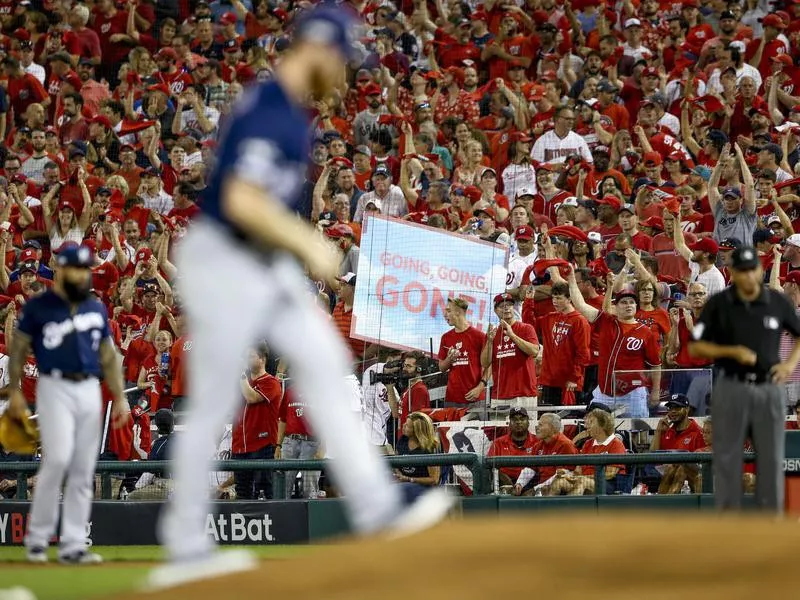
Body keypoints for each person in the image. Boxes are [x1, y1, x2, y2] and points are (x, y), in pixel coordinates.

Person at [150, 8, 452, 588]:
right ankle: (187, 546)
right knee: (214, 402)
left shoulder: (285, 111)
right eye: (339, 60)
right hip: (226, 261)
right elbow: (241, 199)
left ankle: (378, 510)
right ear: (317, 49)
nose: (341, 75)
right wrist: (310, 246)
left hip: (261, 263)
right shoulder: (271, 111)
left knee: (322, 362)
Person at [7, 244, 129, 564]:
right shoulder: (40, 306)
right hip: (53, 385)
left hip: (90, 386)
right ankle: (37, 539)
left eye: (85, 269)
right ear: (61, 269)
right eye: (77, 268)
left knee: (83, 467)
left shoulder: (95, 308)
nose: (82, 274)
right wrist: (16, 388)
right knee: (58, 459)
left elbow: (108, 354)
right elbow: (18, 346)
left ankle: (73, 543)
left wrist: (119, 396)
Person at [690, 246, 800, 512]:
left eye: (752, 269)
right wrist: (730, 350)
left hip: (768, 386)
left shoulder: (777, 302)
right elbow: (696, 346)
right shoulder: (718, 303)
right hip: (731, 385)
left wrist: (789, 365)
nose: (748, 276)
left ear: (760, 270)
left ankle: (772, 517)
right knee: (728, 454)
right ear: (733, 273)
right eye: (742, 271)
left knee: (772, 455)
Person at [231, 342, 281, 500]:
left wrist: (240, 374)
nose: (247, 360)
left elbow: (251, 397)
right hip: (240, 445)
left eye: (251, 356)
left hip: (262, 444)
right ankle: (244, 523)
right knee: (242, 492)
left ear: (262, 359)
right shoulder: (240, 382)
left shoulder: (271, 382)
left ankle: (270, 524)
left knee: (265, 491)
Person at [481, 293, 540, 415]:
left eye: (509, 305)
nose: (506, 308)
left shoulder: (526, 328)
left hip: (525, 393)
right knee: (500, 432)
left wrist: (512, 336)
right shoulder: (492, 333)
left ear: (513, 308)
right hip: (500, 394)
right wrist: (490, 342)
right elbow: (484, 363)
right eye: (502, 306)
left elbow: (534, 351)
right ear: (496, 311)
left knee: (527, 431)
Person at [438, 298, 488, 410]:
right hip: (452, 399)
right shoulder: (445, 338)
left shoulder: (479, 336)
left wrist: (480, 387)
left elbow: (489, 365)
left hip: (475, 399)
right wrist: (449, 359)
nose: (445, 315)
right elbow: (441, 367)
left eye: (448, 311)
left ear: (459, 312)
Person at [650, 393, 706, 494]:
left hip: (692, 480)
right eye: (670, 408)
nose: (673, 411)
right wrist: (658, 431)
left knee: (681, 468)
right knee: (670, 468)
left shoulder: (698, 432)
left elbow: (703, 466)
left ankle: (665, 503)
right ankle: (662, 502)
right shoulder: (668, 431)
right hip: (669, 476)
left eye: (677, 408)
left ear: (687, 409)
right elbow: (652, 456)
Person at [487, 407, 539, 496]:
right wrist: (506, 481)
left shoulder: (537, 441)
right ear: (509, 424)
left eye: (522, 419)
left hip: (531, 483)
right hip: (504, 483)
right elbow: (490, 465)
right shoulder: (498, 442)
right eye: (514, 419)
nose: (518, 422)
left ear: (528, 422)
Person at [393, 412, 441, 499]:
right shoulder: (402, 440)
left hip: (423, 487)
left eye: (407, 426)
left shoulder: (428, 448)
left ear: (416, 431)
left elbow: (434, 480)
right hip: (403, 482)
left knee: (400, 490)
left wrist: (408, 479)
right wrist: (399, 475)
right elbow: (396, 461)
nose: (403, 426)